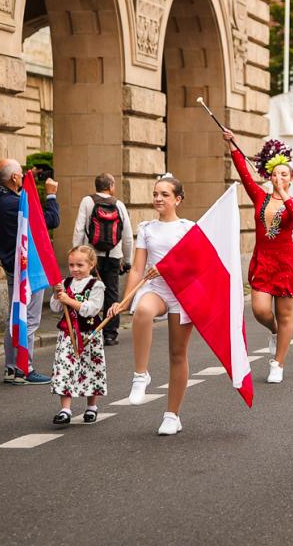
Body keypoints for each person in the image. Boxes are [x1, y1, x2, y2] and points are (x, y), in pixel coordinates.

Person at [106, 174, 196, 435]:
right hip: (155, 289)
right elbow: (136, 268)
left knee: (177, 354)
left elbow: (194, 265)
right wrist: (124, 300)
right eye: (156, 194)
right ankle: (140, 374)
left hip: (181, 292)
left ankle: (172, 415)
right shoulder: (146, 228)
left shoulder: (188, 229)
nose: (158, 198)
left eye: (165, 195)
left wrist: (168, 266)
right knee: (142, 311)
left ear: (177, 199)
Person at [226, 132, 293, 383]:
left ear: (291, 180)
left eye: (285, 174)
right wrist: (232, 145)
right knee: (260, 310)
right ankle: (273, 331)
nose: (279, 178)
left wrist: (283, 192)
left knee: (285, 315)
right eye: (276, 174)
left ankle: (278, 363)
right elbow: (244, 174)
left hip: (286, 263)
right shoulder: (260, 197)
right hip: (263, 260)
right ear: (270, 176)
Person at [0, 159, 60, 383]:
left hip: (13, 263)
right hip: (25, 267)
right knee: (28, 318)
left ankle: (12, 367)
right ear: (13, 178)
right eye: (20, 174)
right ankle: (24, 368)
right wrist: (50, 195)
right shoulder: (13, 203)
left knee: (15, 316)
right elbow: (49, 220)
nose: (22, 176)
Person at [71, 173, 133, 346]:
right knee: (111, 293)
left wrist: (76, 253)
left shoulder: (87, 201)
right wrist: (127, 260)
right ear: (111, 186)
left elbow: (79, 229)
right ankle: (110, 334)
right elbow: (127, 236)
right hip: (113, 255)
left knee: (87, 291)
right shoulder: (119, 204)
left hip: (90, 257)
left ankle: (88, 330)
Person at [49, 245, 106, 425]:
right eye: (71, 265)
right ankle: (65, 409)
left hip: (89, 334)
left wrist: (70, 301)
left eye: (80, 265)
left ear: (91, 264)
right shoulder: (65, 284)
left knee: (90, 368)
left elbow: (92, 309)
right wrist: (58, 295)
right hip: (68, 334)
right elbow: (55, 308)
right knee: (65, 368)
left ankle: (91, 407)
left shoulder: (96, 285)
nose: (75, 269)